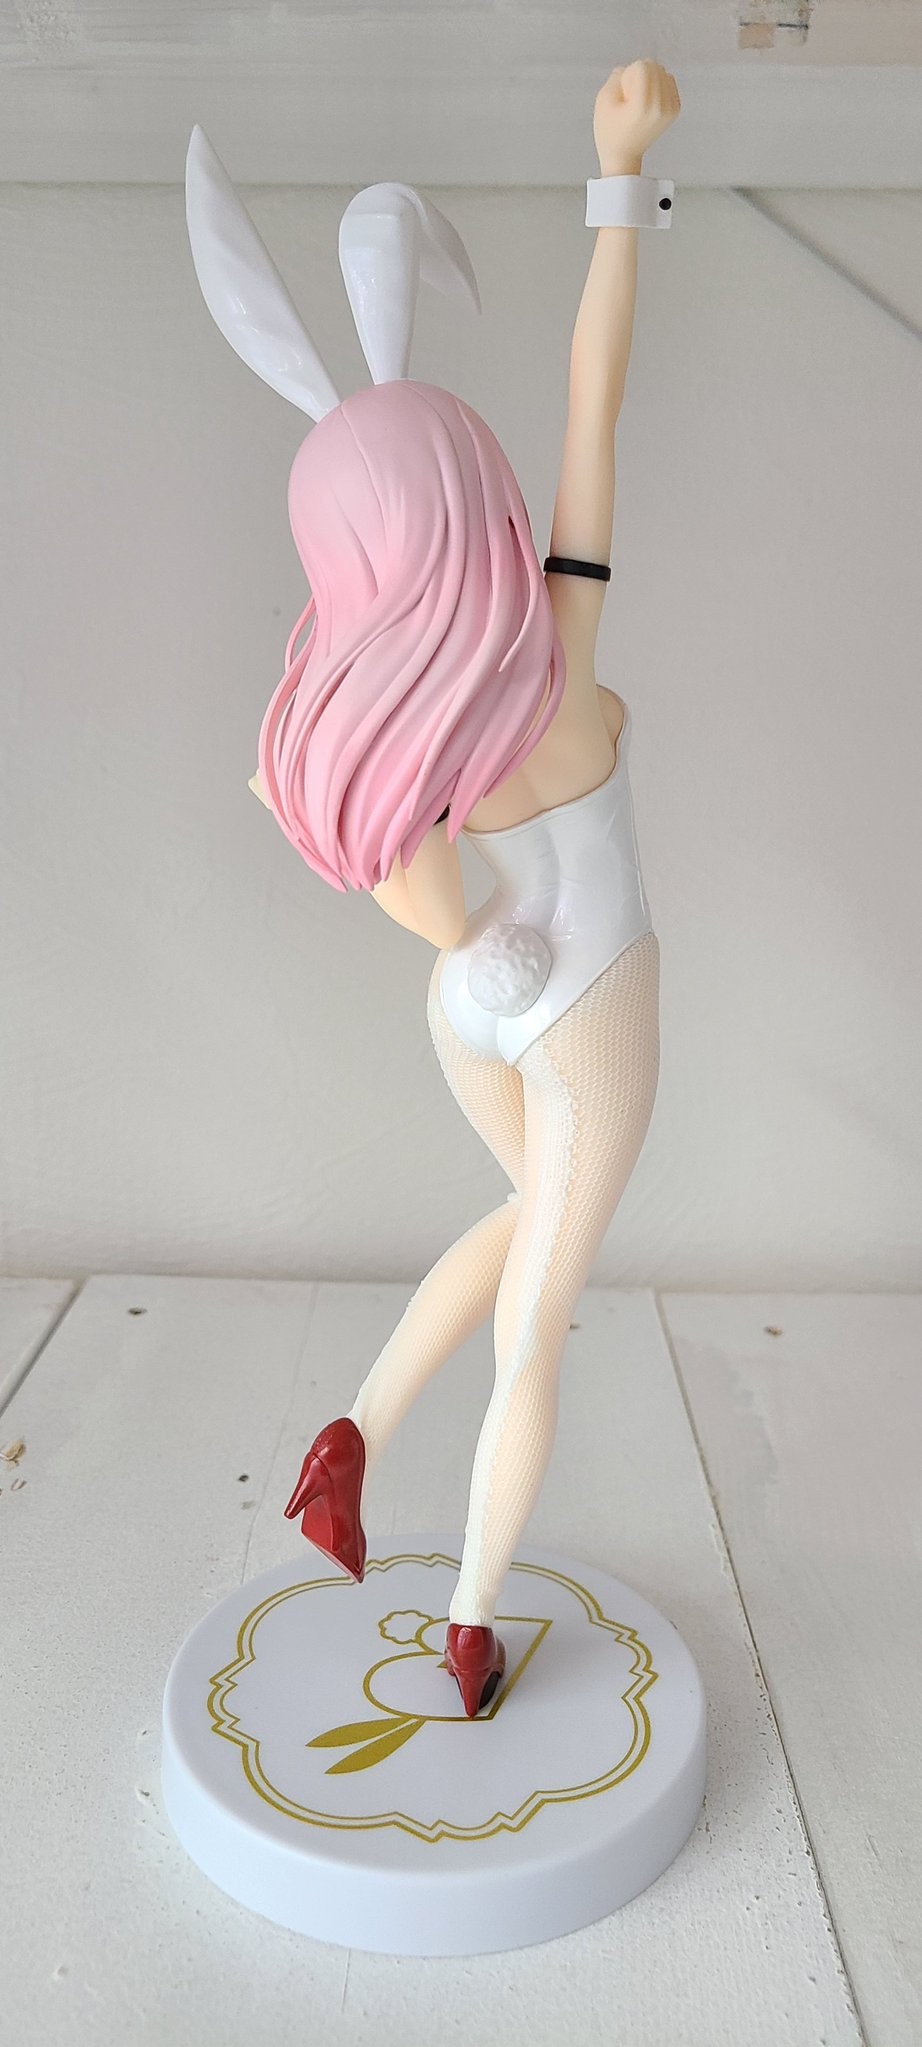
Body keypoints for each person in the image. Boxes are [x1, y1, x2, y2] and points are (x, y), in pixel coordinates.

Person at [187, 59, 681, 1716]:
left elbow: (345, 836)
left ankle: (352, 1432)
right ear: (477, 495)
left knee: (525, 1220)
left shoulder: (396, 731)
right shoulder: (560, 653)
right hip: (591, 999)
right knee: (540, 1323)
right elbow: (594, 397)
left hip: (467, 996)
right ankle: (469, 1624)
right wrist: (617, 182)